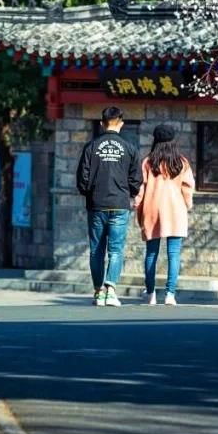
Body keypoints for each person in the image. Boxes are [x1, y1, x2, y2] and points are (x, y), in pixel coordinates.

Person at [77, 106, 142, 307]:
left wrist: (90, 193)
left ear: (101, 123)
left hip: (97, 204)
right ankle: (111, 290)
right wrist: (128, 193)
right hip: (120, 204)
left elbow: (82, 178)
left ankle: (98, 292)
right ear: (121, 123)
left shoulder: (91, 147)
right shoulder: (130, 148)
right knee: (116, 250)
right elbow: (136, 180)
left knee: (96, 250)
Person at [135, 124, 194, 306]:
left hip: (152, 209)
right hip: (175, 210)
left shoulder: (147, 162)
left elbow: (140, 189)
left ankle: (151, 293)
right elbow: (188, 187)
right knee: (174, 254)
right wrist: (187, 205)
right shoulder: (181, 162)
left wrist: (137, 206)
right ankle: (170, 294)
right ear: (173, 140)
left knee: (151, 253)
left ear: (155, 139)